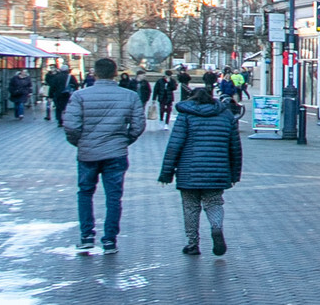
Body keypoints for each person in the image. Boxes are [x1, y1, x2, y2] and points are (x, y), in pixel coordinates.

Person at [64, 56, 145, 254]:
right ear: (115, 73)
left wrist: (80, 142)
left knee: (85, 193)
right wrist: (124, 140)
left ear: (95, 73)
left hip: (88, 152)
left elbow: (71, 125)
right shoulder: (130, 96)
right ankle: (109, 240)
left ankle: (86, 236)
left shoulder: (80, 96)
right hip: (116, 152)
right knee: (114, 197)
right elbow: (138, 125)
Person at [157, 84, 241, 257]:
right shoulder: (226, 115)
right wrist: (234, 174)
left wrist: (166, 173)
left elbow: (175, 145)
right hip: (217, 171)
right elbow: (235, 148)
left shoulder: (186, 115)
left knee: (190, 207)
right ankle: (216, 228)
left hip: (189, 171)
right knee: (214, 203)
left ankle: (192, 244)